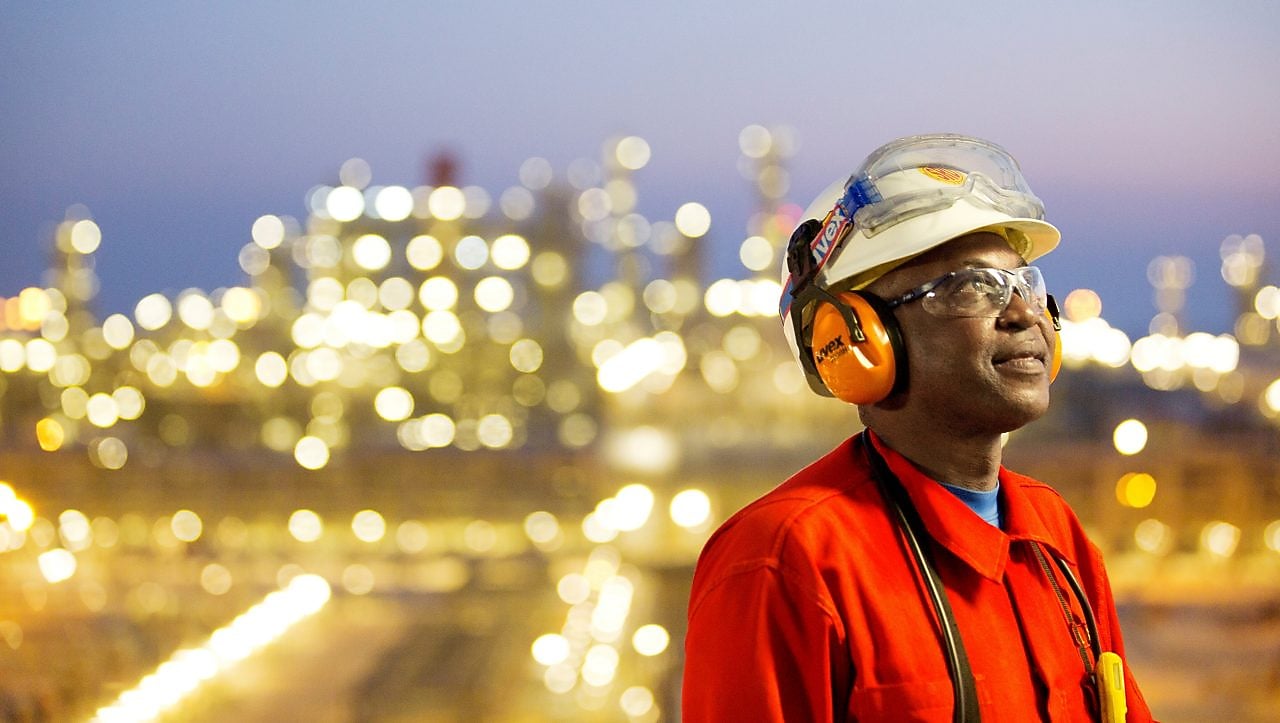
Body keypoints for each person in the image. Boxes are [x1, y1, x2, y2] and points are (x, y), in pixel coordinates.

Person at [682, 134, 1154, 722]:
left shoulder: (1054, 536)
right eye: (972, 287)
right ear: (856, 340)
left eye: (1024, 285)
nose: (1024, 314)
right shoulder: (785, 560)